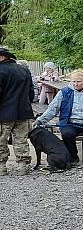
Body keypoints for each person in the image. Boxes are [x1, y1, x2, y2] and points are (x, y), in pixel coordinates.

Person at [33, 69, 83, 164]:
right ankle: (73, 157)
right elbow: (52, 109)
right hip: (71, 122)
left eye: (78, 81)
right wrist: (40, 120)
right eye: (73, 81)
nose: (76, 84)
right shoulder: (64, 92)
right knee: (67, 134)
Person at [0, 47, 35, 175]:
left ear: (2, 57)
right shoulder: (24, 70)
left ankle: (2, 167)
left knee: (1, 140)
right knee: (21, 139)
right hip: (23, 112)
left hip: (3, 114)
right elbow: (31, 93)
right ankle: (22, 166)